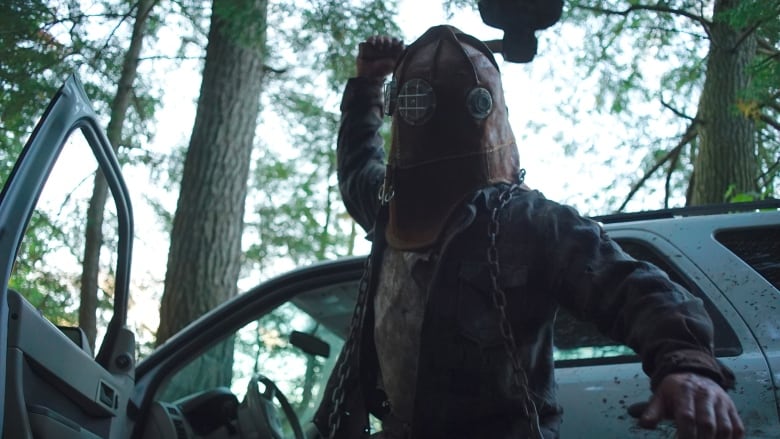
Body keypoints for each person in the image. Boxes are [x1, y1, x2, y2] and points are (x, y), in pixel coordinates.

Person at [313, 25, 744, 439]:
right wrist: (368, 84)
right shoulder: (390, 204)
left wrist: (686, 366)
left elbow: (630, 287)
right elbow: (356, 166)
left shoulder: (530, 222)